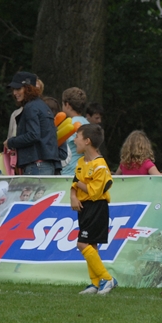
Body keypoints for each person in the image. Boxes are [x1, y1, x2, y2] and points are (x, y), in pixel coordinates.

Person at [69, 124, 118, 295]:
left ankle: (107, 278)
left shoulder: (100, 165)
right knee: (92, 245)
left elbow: (94, 192)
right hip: (84, 207)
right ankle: (95, 283)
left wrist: (77, 182)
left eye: (77, 136)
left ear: (87, 141)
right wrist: (73, 196)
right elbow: (75, 185)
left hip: (96, 207)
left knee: (82, 243)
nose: (74, 140)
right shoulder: (81, 162)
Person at [4, 72, 59, 176]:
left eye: (18, 89)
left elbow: (33, 135)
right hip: (47, 164)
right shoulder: (43, 106)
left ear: (28, 88)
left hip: (36, 166)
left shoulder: (30, 107)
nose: (15, 93)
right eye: (14, 89)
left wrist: (11, 142)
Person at [60, 87, 89, 176]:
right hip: (84, 170)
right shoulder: (87, 123)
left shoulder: (70, 125)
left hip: (69, 171)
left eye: (62, 103)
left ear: (67, 105)